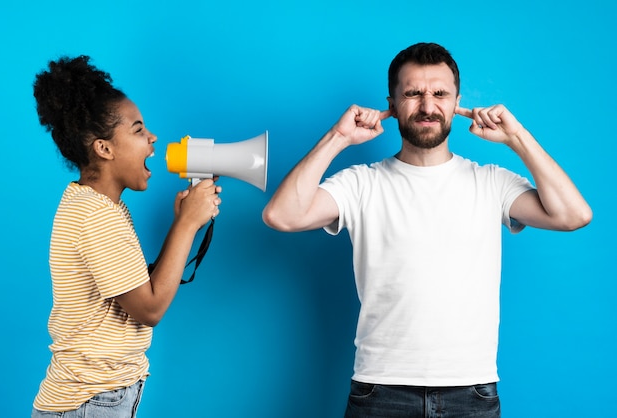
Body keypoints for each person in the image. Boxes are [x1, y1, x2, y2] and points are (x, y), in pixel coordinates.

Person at [262, 42, 592, 417]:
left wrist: (517, 138)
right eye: (413, 93)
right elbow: (282, 216)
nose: (427, 106)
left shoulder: (491, 182)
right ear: (392, 103)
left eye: (439, 94)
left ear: (457, 102)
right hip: (380, 390)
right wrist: (338, 138)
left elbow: (574, 215)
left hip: (472, 391)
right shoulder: (360, 184)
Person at [31, 55, 221, 417]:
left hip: (97, 396)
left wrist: (183, 223)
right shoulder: (96, 217)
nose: (152, 138)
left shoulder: (99, 206)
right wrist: (185, 226)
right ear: (104, 148)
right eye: (137, 130)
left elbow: (138, 286)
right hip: (88, 401)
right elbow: (149, 309)